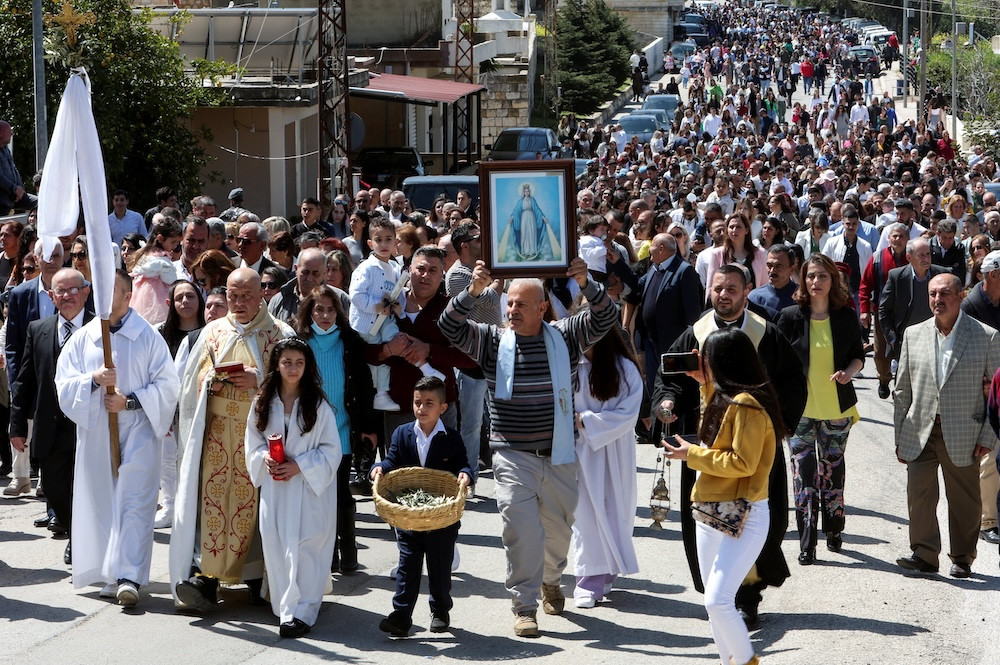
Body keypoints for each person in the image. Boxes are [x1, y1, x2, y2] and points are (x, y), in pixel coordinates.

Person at [439, 256, 619, 637]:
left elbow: (607, 317)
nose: (512, 309)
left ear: (542, 308)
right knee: (520, 530)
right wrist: (473, 291)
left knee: (558, 533)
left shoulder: (567, 337)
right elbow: (449, 325)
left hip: (559, 455)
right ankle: (524, 605)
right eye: (509, 303)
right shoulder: (492, 341)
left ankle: (551, 579)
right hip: (511, 454)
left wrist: (586, 282)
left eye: (521, 304)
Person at [653, 265, 806, 630]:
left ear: (748, 290)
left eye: (732, 289)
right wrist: (667, 404)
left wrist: (775, 424)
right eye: (718, 288)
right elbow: (670, 378)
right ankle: (719, 595)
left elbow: (793, 381)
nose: (724, 295)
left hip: (750, 447)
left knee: (751, 521)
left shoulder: (764, 332)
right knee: (708, 522)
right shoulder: (696, 331)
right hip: (704, 446)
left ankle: (747, 598)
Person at [171, 268, 295, 612]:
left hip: (259, 434)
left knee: (257, 504)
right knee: (214, 503)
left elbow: (297, 381)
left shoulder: (280, 333)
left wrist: (260, 379)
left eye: (246, 297)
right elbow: (189, 386)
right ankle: (207, 579)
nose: (238, 303)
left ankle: (259, 578)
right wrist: (209, 378)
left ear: (261, 296)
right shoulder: (212, 332)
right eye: (232, 296)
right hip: (216, 434)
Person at [662, 327, 787, 665]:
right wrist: (703, 382)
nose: (702, 361)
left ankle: (746, 661)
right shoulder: (723, 395)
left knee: (717, 602)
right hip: (710, 510)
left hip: (744, 514)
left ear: (724, 361)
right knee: (714, 606)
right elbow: (717, 433)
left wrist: (692, 455)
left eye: (707, 357)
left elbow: (742, 462)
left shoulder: (747, 404)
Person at [55, 270, 180, 606]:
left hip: (138, 431)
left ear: (129, 296)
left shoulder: (148, 338)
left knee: (135, 503)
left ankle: (130, 577)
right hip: (98, 433)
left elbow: (168, 386)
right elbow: (64, 385)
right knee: (103, 500)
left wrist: (130, 401)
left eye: (116, 292)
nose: (108, 299)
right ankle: (106, 571)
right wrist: (93, 381)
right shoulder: (84, 338)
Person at [894, 273, 1000, 578]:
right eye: (932, 294)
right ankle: (925, 555)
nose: (937, 300)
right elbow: (902, 391)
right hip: (920, 431)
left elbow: (996, 394)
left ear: (961, 295)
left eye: (944, 294)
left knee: (965, 500)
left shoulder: (986, 336)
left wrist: (989, 436)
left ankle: (962, 557)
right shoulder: (913, 334)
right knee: (919, 494)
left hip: (966, 431)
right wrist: (900, 433)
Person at [245, 338, 342, 638]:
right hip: (277, 490)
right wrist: (265, 458)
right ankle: (285, 607)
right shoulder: (264, 400)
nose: (293, 368)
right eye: (287, 362)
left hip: (309, 490)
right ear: (276, 364)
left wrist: (299, 466)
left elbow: (331, 450)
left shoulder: (318, 405)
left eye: (299, 363)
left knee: (307, 548)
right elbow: (253, 440)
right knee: (277, 545)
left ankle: (303, 611)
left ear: (307, 366)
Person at [776, 254, 865, 564]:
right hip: (799, 411)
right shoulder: (788, 316)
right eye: (811, 276)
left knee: (831, 471)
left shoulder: (845, 317)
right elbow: (777, 363)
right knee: (803, 474)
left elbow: (857, 356)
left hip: (836, 408)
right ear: (803, 279)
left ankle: (834, 527)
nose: (816, 282)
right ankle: (806, 541)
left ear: (832, 280)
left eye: (822, 276)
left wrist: (848, 373)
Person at [371, 376, 472, 637]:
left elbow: (464, 464)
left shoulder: (451, 438)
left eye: (429, 403)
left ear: (443, 407)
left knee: (439, 565)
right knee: (408, 564)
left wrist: (465, 474)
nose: (421, 408)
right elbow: (391, 459)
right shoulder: (402, 433)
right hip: (409, 516)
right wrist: (379, 467)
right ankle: (401, 616)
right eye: (417, 402)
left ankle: (440, 610)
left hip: (442, 516)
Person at [10, 269, 93, 564]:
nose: (68, 295)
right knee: (56, 489)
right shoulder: (39, 329)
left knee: (87, 487)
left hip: (88, 427)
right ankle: (72, 527)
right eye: (61, 291)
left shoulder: (102, 328)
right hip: (51, 426)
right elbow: (25, 379)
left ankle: (80, 540)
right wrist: (17, 424)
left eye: (74, 289)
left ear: (86, 292)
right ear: (51, 296)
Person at [295, 285, 377, 573]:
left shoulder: (350, 341)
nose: (325, 315)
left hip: (342, 426)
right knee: (318, 491)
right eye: (319, 309)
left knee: (341, 489)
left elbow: (365, 386)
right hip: (312, 428)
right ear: (309, 312)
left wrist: (368, 426)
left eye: (331, 309)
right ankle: (326, 554)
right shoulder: (301, 342)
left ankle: (349, 550)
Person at [570, 325, 642, 608]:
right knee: (585, 514)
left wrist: (585, 420)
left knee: (616, 509)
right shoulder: (570, 365)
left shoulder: (624, 369)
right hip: (579, 450)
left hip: (614, 450)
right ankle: (587, 579)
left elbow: (628, 414)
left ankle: (607, 569)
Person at [350, 219, 441, 412]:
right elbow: (356, 296)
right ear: (370, 243)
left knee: (399, 340)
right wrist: (377, 307)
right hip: (367, 324)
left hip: (386, 320)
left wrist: (399, 309)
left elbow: (398, 293)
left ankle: (425, 370)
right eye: (378, 240)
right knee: (384, 356)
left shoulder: (394, 267)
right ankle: (382, 394)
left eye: (388, 239)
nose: (383, 244)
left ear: (395, 243)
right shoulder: (365, 268)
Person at [444, 222, 501, 486]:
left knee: (500, 418)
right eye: (477, 239)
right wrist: (496, 283)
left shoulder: (481, 270)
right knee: (471, 423)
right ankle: (469, 477)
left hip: (495, 354)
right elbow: (487, 299)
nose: (483, 243)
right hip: (471, 359)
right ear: (464, 245)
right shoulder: (457, 275)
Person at [961, 250, 1000, 546]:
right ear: (992, 276)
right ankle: (988, 519)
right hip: (981, 392)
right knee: (988, 456)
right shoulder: (971, 306)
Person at [631, 233, 703, 391]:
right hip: (652, 343)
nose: (649, 251)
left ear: (661, 248)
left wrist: (686, 347)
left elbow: (692, 315)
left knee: (672, 389)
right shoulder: (655, 268)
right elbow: (635, 285)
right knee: (653, 388)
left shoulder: (684, 271)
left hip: (673, 346)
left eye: (652, 247)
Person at [859, 222, 909, 399]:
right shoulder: (878, 257)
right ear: (888, 238)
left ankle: (902, 386)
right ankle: (884, 379)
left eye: (901, 236)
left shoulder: (913, 258)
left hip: (907, 314)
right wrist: (864, 310)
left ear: (908, 239)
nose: (897, 239)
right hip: (882, 313)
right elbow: (865, 286)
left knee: (905, 352)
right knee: (880, 353)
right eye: (894, 236)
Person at [130, 217, 182, 325]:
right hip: (158, 297)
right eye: (173, 242)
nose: (175, 246)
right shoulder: (162, 260)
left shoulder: (146, 253)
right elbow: (171, 280)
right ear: (160, 238)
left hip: (139, 294)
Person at [499, 183, 559, 262]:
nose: (526, 193)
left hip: (532, 219)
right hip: (523, 219)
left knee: (531, 234)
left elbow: (537, 210)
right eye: (525, 191)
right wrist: (512, 218)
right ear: (523, 192)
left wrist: (543, 218)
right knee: (524, 234)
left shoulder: (532, 200)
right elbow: (516, 211)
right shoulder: (520, 201)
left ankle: (532, 251)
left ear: (529, 192)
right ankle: (524, 251)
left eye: (528, 191)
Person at [0, 120, 37, 212]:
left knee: (41, 202)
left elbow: (14, 169)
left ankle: (36, 225)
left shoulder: (5, 149)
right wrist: (14, 189)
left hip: (16, 194)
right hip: (2, 199)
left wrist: (20, 189)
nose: (12, 134)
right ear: (0, 134)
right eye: (10, 132)